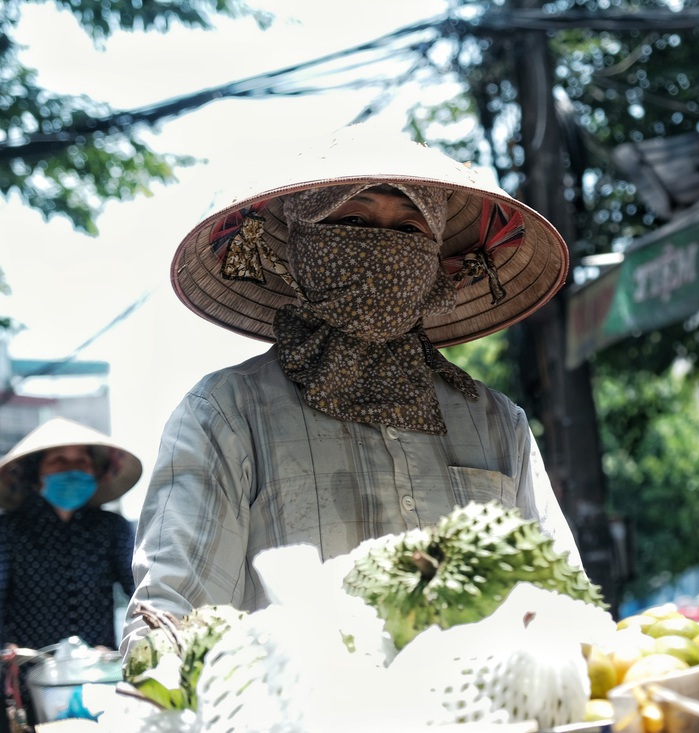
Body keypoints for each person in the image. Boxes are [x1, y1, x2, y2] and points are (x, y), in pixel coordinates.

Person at [122, 127, 583, 654]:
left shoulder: (497, 424)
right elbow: (173, 626)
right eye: (353, 221)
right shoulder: (226, 416)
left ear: (433, 260)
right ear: (299, 247)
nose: (382, 246)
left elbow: (561, 608)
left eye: (409, 230)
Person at [0, 417, 141, 729]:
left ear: (96, 471)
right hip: (27, 680)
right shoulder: (7, 531)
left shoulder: (112, 529)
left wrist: (131, 649)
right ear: (35, 473)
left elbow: (140, 590)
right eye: (59, 460)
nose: (72, 468)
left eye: (82, 460)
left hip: (97, 677)